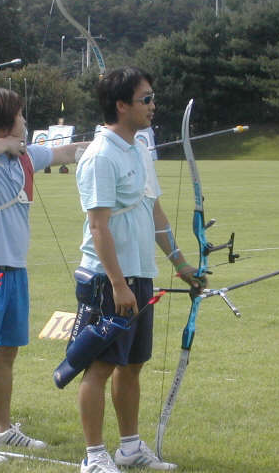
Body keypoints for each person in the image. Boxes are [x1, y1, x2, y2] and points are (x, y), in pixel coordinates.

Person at [73, 67, 204, 472]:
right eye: (145, 99)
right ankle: (94, 456)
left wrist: (180, 264)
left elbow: (155, 212)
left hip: (139, 276)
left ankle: (129, 448)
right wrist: (118, 284)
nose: (153, 105)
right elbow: (98, 227)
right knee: (99, 367)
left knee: (132, 365)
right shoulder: (100, 155)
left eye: (152, 98)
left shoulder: (139, 149)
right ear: (121, 105)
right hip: (108, 280)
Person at [0, 88, 89, 464]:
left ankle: (2, 428)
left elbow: (68, 153)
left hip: (14, 270)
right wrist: (6, 145)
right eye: (20, 116)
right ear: (5, 122)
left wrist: (109, 144)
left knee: (6, 353)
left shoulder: (25, 156)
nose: (26, 122)